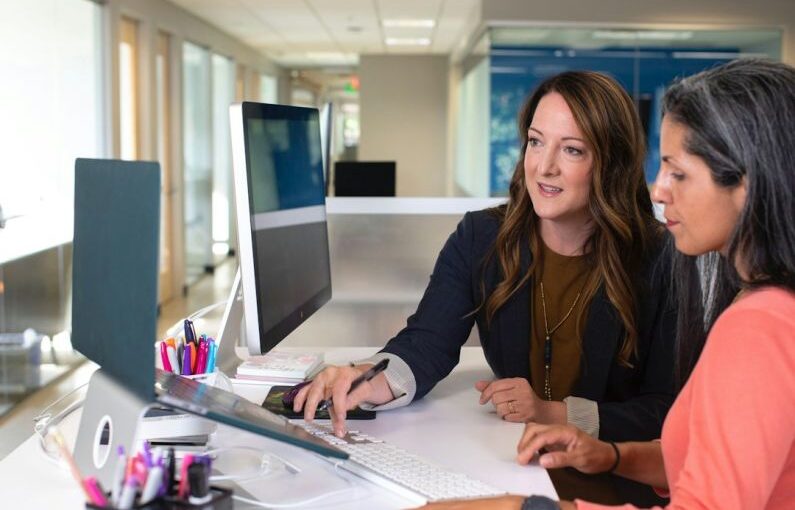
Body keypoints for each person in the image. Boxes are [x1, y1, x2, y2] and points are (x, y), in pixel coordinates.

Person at [420, 58, 795, 510]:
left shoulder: (760, 326)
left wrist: (524, 509)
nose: (658, 190)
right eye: (535, 143)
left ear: (748, 185)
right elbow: (707, 463)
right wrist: (610, 456)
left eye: (678, 172)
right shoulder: (764, 306)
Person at [295, 71, 676, 447]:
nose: (544, 167)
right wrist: (363, 379)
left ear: (611, 164)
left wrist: (554, 413)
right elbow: (427, 342)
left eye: (572, 149)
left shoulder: (660, 259)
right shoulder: (482, 237)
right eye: (536, 142)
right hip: (518, 458)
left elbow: (666, 408)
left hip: (613, 470)